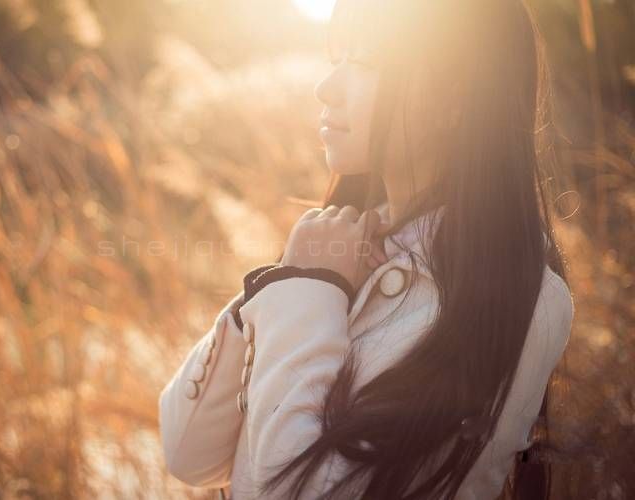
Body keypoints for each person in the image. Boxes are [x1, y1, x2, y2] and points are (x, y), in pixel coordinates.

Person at [158, 0, 575, 498]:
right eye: (337, 59)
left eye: (365, 64)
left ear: (457, 98)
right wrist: (290, 284)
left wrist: (309, 287)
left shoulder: (521, 297)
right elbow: (188, 454)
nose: (326, 88)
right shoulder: (339, 250)